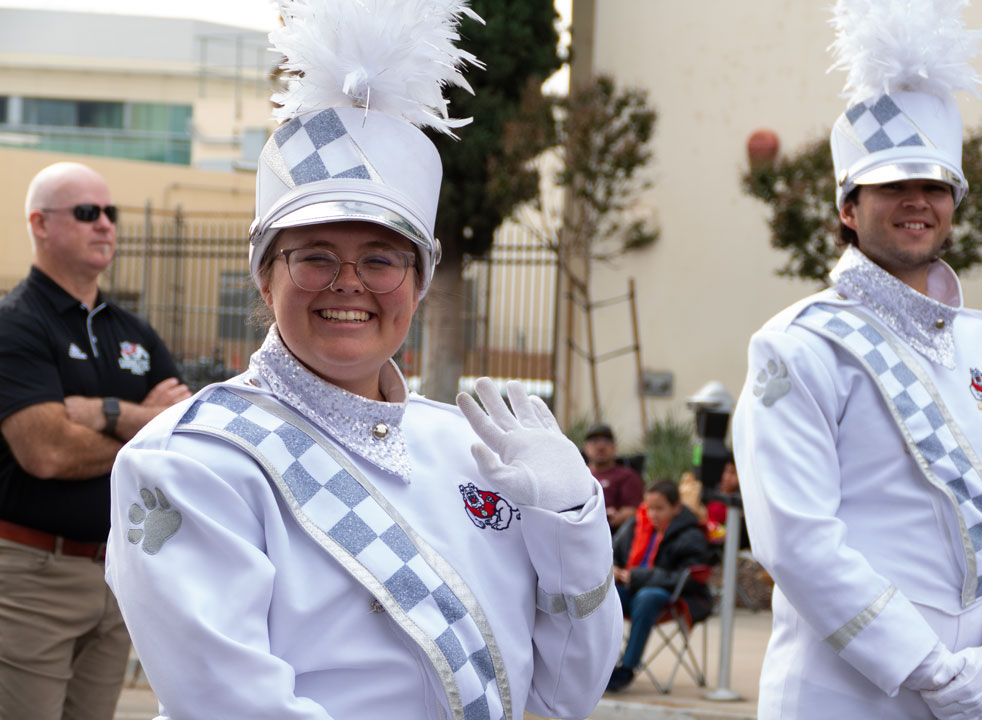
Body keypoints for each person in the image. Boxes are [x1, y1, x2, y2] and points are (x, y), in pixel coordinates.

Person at [103, 3, 622, 719]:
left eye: (381, 259)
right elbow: (234, 704)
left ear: (418, 282)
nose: (349, 282)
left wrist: (572, 521)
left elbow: (567, 693)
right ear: (265, 276)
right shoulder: (189, 462)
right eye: (314, 257)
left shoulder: (474, 450)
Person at [732, 2, 982, 718]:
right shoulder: (799, 345)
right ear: (849, 206)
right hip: (845, 697)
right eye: (892, 185)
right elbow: (797, 540)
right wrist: (935, 675)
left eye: (935, 185)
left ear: (955, 201)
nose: (918, 201)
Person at [0, 161, 190, 720]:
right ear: (39, 223)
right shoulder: (16, 324)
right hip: (33, 578)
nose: (105, 224)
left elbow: (180, 437)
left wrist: (103, 411)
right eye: (87, 213)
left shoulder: (132, 331)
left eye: (111, 213)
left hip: (118, 577)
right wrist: (140, 427)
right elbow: (48, 452)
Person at [607, 479, 711, 692]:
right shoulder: (635, 525)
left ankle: (626, 667)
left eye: (659, 508)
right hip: (631, 590)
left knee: (647, 596)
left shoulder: (691, 534)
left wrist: (637, 577)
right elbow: (611, 553)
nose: (652, 514)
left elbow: (688, 577)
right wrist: (615, 570)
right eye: (649, 507)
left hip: (672, 596)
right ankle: (602, 665)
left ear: (677, 508)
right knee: (607, 594)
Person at [584, 423, 644, 532]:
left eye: (606, 442)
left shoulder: (627, 476)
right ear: (586, 447)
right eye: (594, 441)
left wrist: (615, 515)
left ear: (614, 447)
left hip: (612, 533)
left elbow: (634, 510)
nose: (600, 447)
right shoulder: (578, 475)